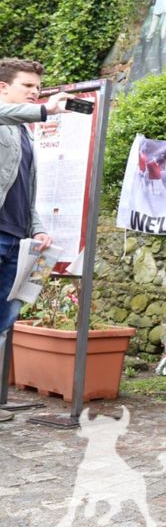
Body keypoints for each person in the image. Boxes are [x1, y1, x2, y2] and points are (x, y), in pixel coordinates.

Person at [0, 58, 71, 423]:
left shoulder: (24, 133)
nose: (35, 92)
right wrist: (43, 109)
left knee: (5, 317)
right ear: (3, 88)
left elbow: (23, 189)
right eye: (27, 86)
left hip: (17, 239)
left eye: (37, 88)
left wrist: (37, 226)